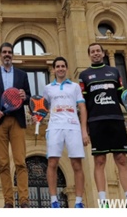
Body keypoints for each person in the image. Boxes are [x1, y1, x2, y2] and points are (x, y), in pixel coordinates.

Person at [78, 43, 127, 208]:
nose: (96, 54)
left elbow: (122, 95)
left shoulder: (114, 71)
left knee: (121, 159)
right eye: (92, 51)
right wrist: (84, 129)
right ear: (89, 55)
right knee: (99, 161)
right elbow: (83, 104)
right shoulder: (84, 76)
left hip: (116, 119)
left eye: (98, 51)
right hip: (96, 122)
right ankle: (103, 201)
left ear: (103, 53)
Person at [35, 56, 89, 208]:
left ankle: (79, 202)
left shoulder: (75, 87)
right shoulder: (48, 88)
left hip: (73, 127)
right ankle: (54, 201)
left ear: (66, 68)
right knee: (52, 162)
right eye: (57, 66)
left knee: (76, 164)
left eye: (63, 66)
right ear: (53, 70)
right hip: (55, 127)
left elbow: (82, 108)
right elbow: (43, 108)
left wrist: (84, 131)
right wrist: (37, 117)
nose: (60, 69)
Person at [0, 42, 31, 208]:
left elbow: (29, 97)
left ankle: (24, 201)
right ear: (0, 55)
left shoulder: (22, 75)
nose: (7, 55)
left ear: (13, 55)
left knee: (20, 162)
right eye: (4, 52)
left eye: (9, 52)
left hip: (17, 121)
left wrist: (26, 96)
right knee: (3, 163)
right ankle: (8, 202)